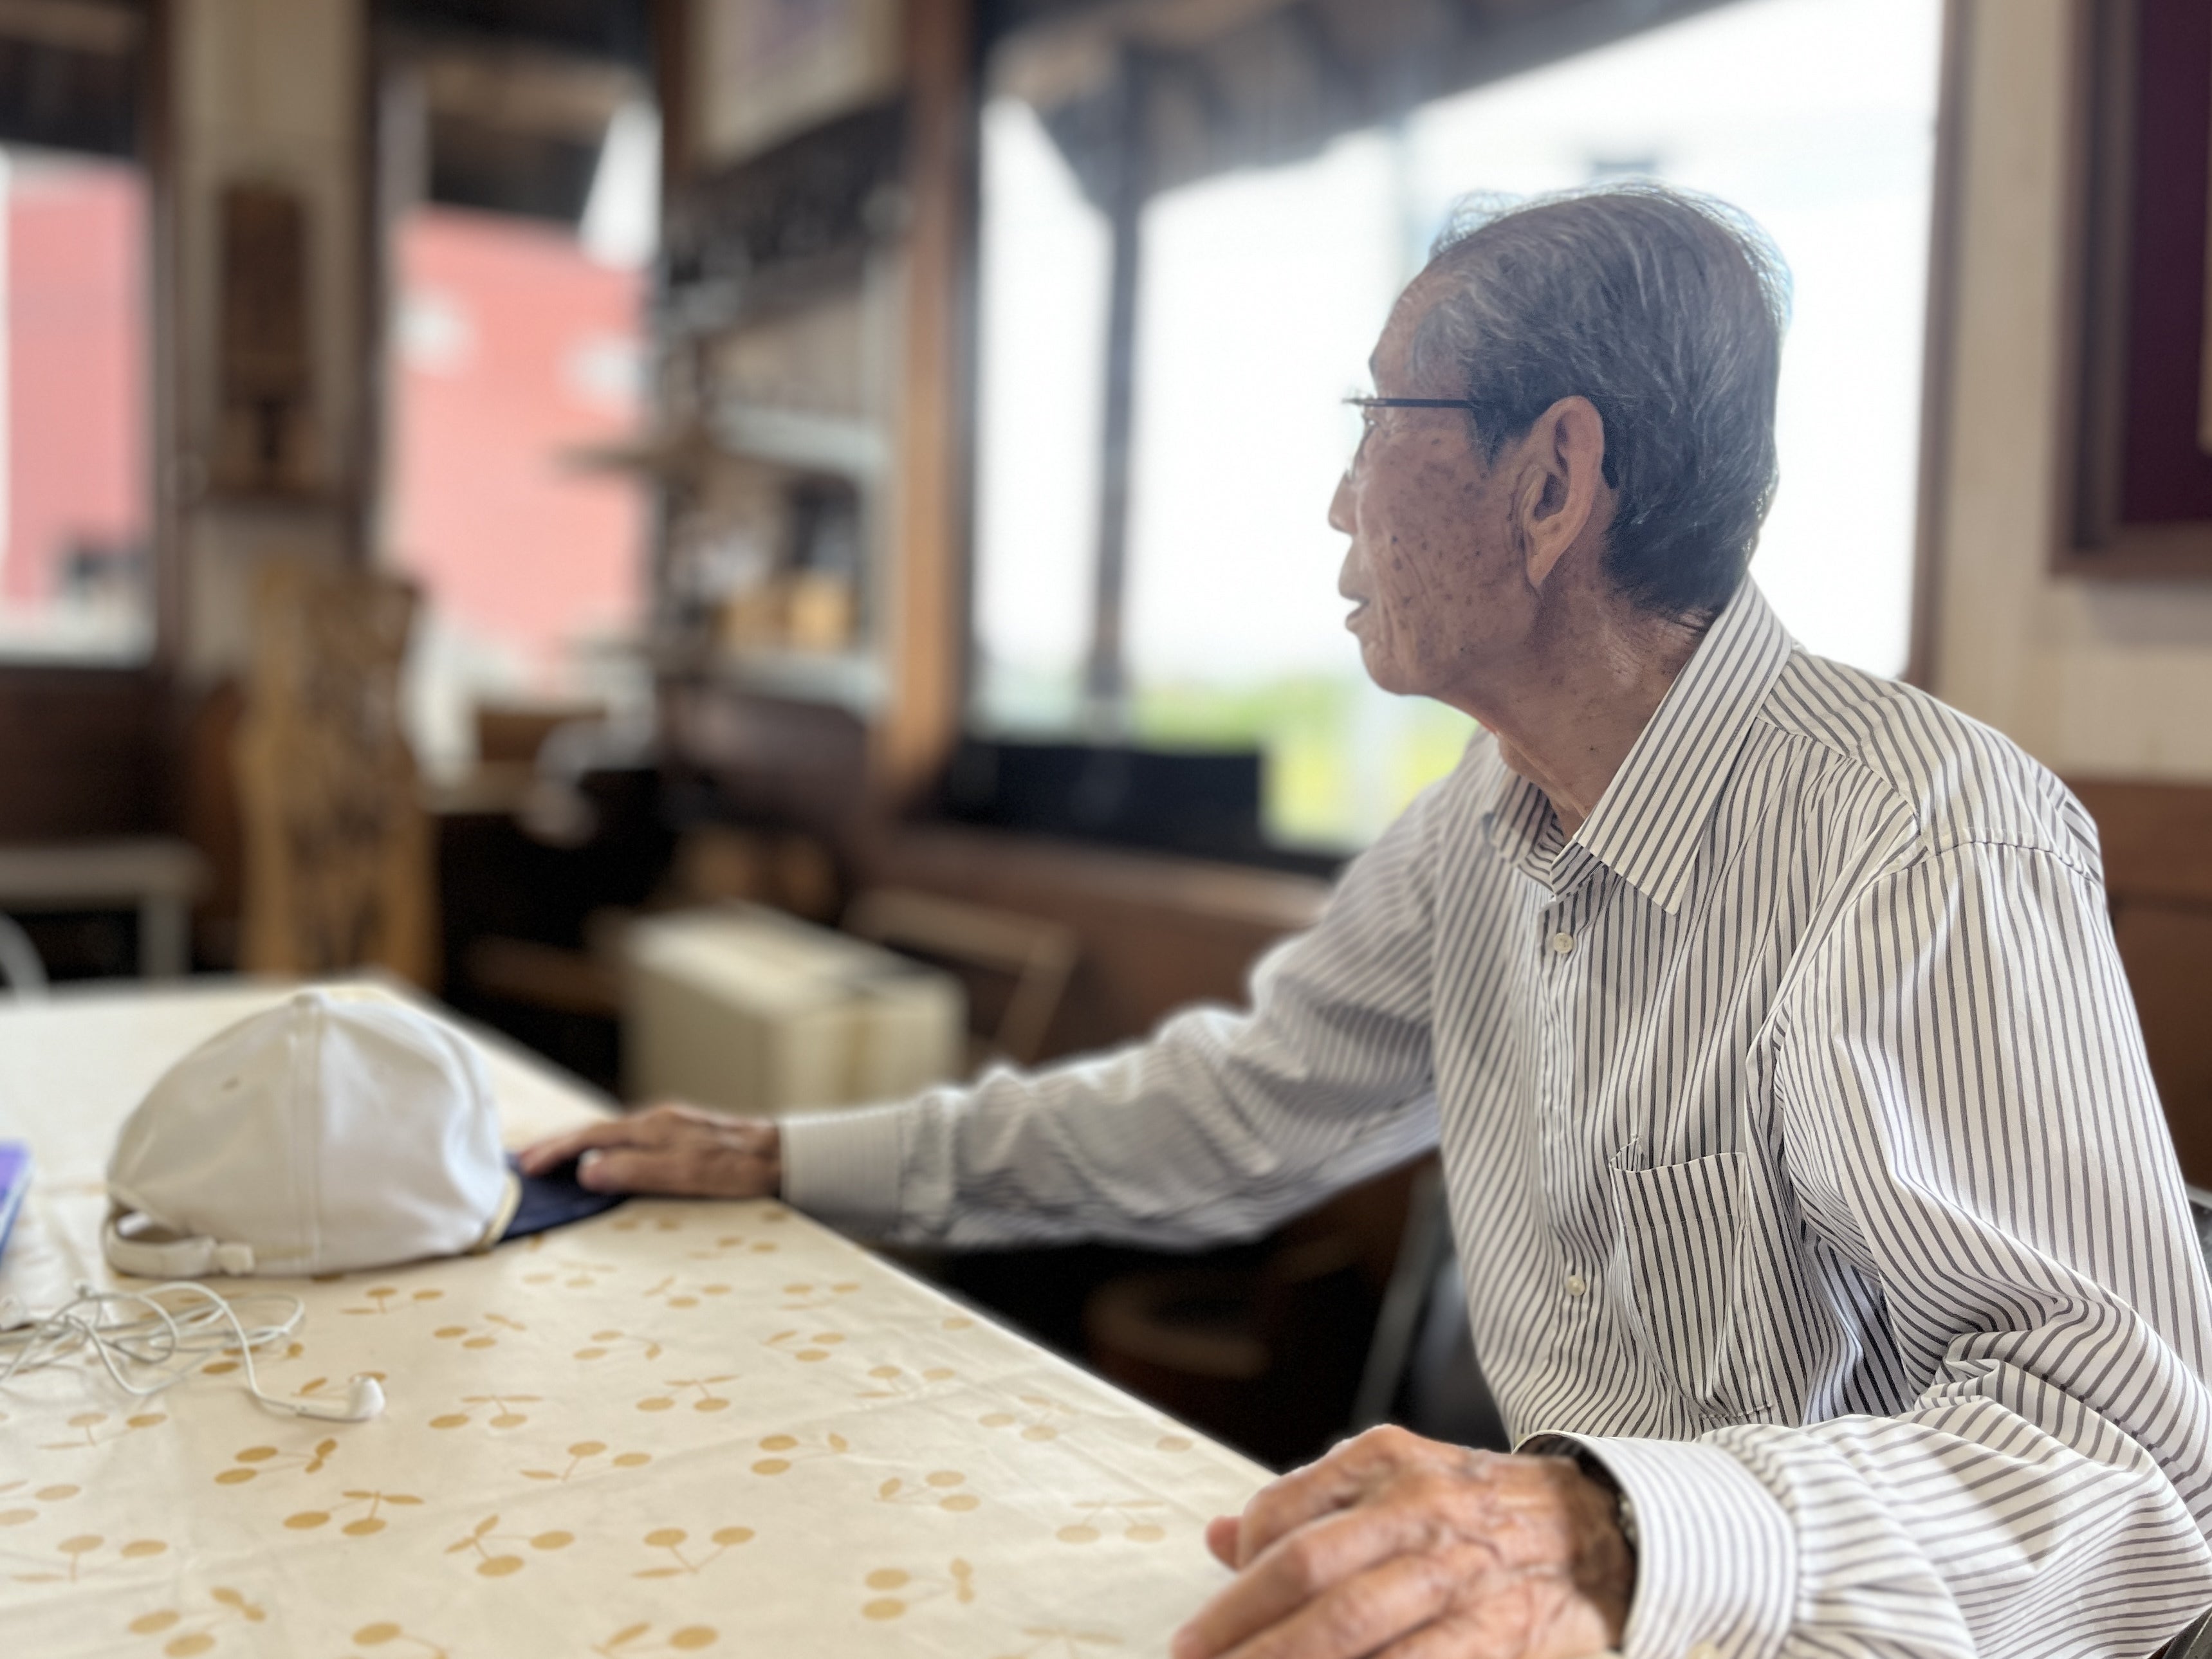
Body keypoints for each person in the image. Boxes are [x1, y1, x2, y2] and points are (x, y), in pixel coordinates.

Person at [521, 185, 2212, 1658]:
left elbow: (2132, 1472)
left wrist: (1609, 1534)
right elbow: (1226, 1114)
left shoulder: (1922, 838)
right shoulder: (1482, 823)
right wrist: (793, 1158)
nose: (1339, 503)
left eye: (1376, 421)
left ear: (1552, 482)